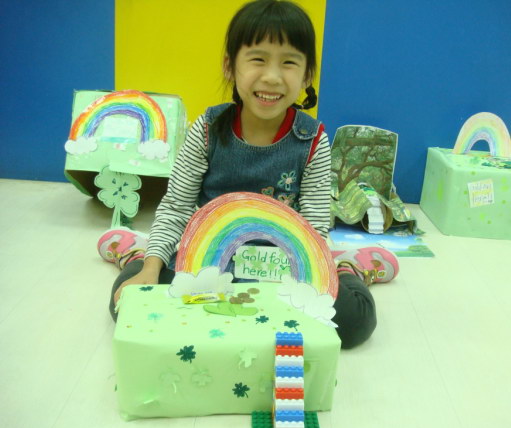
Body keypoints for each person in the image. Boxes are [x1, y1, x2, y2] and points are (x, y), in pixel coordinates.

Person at [98, 0, 399, 349]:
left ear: (307, 75)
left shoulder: (312, 140)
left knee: (354, 322)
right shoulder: (207, 130)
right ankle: (137, 253)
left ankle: (348, 267)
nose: (272, 76)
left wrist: (313, 278)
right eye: (258, 59)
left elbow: (313, 225)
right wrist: (151, 268)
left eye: (289, 62)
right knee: (127, 306)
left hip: (283, 266)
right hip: (207, 262)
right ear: (230, 66)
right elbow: (176, 206)